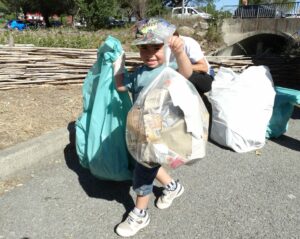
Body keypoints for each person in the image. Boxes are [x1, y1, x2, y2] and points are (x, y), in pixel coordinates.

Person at [113, 18, 193, 237]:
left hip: (162, 131)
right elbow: (121, 86)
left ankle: (140, 213)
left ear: (167, 47)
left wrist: (180, 53)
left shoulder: (169, 69)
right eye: (143, 48)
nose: (149, 54)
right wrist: (118, 66)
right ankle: (173, 187)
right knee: (147, 162)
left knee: (142, 171)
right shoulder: (139, 72)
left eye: (156, 47)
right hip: (141, 129)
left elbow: (187, 74)